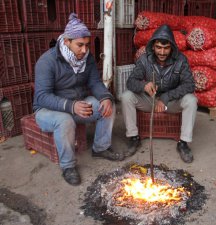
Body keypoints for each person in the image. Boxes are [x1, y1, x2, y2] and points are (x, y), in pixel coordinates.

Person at [33, 13, 124, 186]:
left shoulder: (86, 58)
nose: (84, 50)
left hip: (77, 104)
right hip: (48, 110)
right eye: (79, 45)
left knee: (107, 105)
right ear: (66, 41)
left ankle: (101, 148)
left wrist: (105, 97)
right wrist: (71, 106)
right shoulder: (47, 61)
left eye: (86, 45)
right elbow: (42, 97)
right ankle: (68, 166)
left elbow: (95, 82)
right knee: (65, 120)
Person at [121, 24, 198, 163]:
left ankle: (183, 143)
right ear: (153, 46)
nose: (162, 52)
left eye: (166, 48)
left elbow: (189, 84)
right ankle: (134, 137)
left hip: (170, 103)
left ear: (172, 47)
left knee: (191, 100)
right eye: (158, 48)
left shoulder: (180, 60)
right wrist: (143, 85)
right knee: (126, 96)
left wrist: (166, 97)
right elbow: (131, 82)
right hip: (150, 100)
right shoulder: (144, 59)